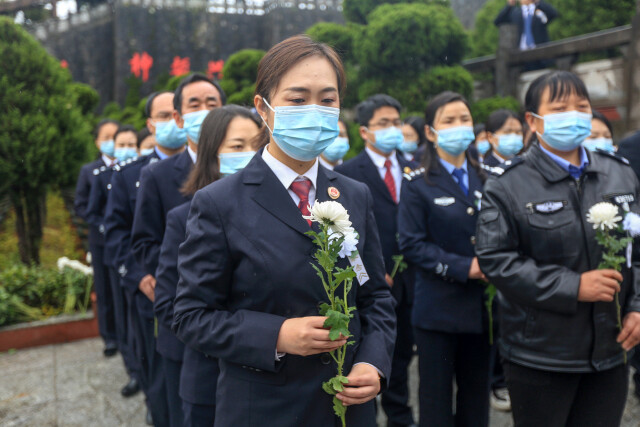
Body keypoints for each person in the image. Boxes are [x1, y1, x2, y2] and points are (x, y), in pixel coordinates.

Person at [172, 35, 396, 427]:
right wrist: (276, 335)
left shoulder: (353, 194)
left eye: (327, 100)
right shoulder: (219, 203)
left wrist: (373, 363)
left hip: (348, 407)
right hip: (264, 408)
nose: (315, 111)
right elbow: (191, 316)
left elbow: (374, 293)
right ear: (263, 107)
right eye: (297, 99)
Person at [476, 70, 640, 427]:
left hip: (611, 350)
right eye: (560, 106)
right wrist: (573, 286)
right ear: (533, 121)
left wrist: (637, 307)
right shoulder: (507, 185)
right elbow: (495, 259)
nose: (574, 114)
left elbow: (637, 252)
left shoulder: (620, 174)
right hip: (541, 356)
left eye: (581, 105)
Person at [155, 105, 262, 427]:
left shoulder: (286, 213)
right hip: (211, 379)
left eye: (258, 146)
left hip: (278, 382)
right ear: (211, 154)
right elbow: (169, 303)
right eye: (237, 147)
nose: (250, 155)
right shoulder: (184, 218)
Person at [130, 78, 225, 426]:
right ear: (179, 117)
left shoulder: (246, 165)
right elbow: (144, 241)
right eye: (195, 105)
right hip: (183, 316)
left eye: (212, 103)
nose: (205, 112)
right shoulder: (157, 175)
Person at [398, 91, 491, 427]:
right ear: (431, 132)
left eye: (464, 119)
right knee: (435, 401)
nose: (459, 126)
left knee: (476, 399)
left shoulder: (489, 177)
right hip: (438, 308)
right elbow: (412, 244)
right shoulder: (417, 183)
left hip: (483, 309)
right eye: (449, 121)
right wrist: (465, 267)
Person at [104, 91, 186, 425]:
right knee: (160, 376)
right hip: (154, 292)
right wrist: (139, 276)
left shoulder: (217, 165)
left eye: (176, 113)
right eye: (163, 116)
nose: (173, 121)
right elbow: (117, 233)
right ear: (151, 124)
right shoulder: (128, 175)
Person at [336, 94, 417, 427]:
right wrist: (367, 273)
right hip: (375, 280)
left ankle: (401, 416)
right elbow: (345, 237)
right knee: (377, 347)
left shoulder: (417, 168)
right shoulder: (346, 175)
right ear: (365, 131)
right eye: (384, 124)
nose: (392, 130)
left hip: (416, 278)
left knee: (405, 352)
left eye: (397, 123)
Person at [74, 119, 119, 358]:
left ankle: (124, 333)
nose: (111, 143)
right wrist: (102, 224)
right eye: (106, 138)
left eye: (115, 137)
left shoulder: (127, 165)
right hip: (101, 240)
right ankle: (110, 337)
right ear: (97, 142)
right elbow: (81, 205)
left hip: (123, 239)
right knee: (104, 289)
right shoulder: (89, 171)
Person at [494, 0, 558, 70]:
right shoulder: (515, 13)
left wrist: (538, 2)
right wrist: (509, 5)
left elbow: (554, 14)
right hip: (521, 54)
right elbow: (498, 21)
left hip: (540, 53)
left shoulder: (540, 10)